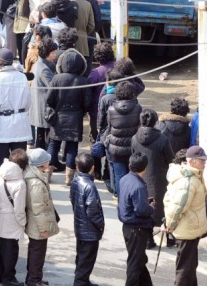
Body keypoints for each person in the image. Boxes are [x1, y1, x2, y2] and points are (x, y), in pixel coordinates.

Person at [163, 145, 207, 286]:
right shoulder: (189, 181)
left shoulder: (194, 177)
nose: (204, 163)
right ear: (192, 162)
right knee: (185, 268)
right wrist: (170, 225)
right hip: (187, 231)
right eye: (201, 160)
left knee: (189, 265)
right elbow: (178, 206)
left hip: (190, 229)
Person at [46, 46, 91, 186]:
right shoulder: (83, 81)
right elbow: (87, 103)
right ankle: (68, 178)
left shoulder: (56, 78)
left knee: (53, 145)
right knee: (72, 148)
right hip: (75, 118)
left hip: (58, 117)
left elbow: (49, 99)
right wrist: (81, 111)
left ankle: (47, 174)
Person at [0, 49, 32, 173]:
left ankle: (3, 187)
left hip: (3, 123)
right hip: (20, 121)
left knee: (3, 159)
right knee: (20, 159)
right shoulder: (22, 76)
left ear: (0, 61)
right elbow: (28, 101)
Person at [131, 108, 173, 247]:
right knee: (164, 208)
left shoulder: (134, 138)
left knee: (145, 207)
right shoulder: (162, 139)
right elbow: (170, 159)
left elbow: (133, 156)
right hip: (159, 179)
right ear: (155, 121)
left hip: (140, 178)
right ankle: (169, 237)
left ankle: (148, 239)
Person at [0, 158, 27, 286]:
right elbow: (19, 209)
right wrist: (23, 223)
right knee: (10, 253)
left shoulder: (1, 176)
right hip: (11, 222)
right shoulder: (20, 183)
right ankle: (8, 279)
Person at [22, 148, 59, 286]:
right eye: (47, 161)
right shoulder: (36, 183)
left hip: (35, 223)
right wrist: (44, 229)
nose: (49, 162)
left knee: (36, 252)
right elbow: (37, 209)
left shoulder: (34, 175)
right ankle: (34, 280)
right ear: (42, 164)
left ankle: (34, 278)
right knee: (37, 254)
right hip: (37, 225)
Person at [117, 152, 154, 286]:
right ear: (145, 168)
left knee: (139, 260)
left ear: (129, 164)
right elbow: (142, 210)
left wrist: (145, 202)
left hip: (128, 226)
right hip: (136, 228)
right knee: (135, 262)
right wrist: (151, 208)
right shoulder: (138, 185)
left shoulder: (124, 179)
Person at [70, 153, 104, 286]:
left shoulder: (75, 181)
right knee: (86, 260)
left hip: (80, 227)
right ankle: (81, 282)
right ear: (93, 167)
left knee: (82, 258)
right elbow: (93, 211)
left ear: (77, 167)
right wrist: (100, 224)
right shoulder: (89, 186)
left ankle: (83, 281)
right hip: (90, 231)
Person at [106, 81, 142, 196]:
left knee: (119, 176)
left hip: (115, 148)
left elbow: (109, 127)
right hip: (132, 147)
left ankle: (120, 198)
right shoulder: (138, 108)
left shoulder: (111, 109)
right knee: (133, 176)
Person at [29, 39, 58, 152]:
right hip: (43, 108)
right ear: (47, 53)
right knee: (45, 138)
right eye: (53, 52)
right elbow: (53, 88)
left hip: (38, 106)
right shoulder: (44, 69)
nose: (55, 55)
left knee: (40, 137)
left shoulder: (39, 64)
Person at [87, 42, 115, 144]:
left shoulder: (96, 73)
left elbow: (88, 93)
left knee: (96, 140)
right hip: (118, 110)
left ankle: (96, 160)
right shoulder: (120, 68)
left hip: (97, 112)